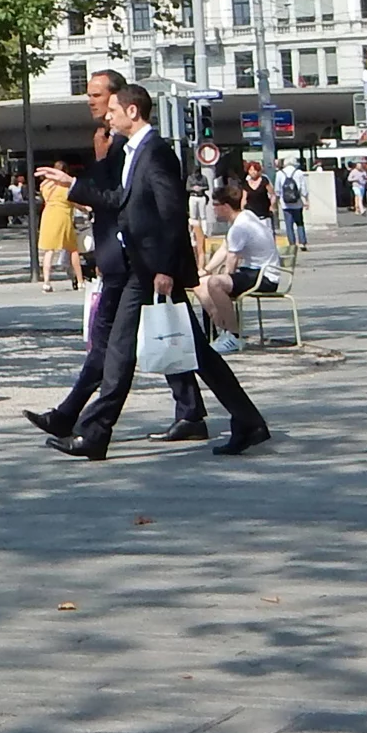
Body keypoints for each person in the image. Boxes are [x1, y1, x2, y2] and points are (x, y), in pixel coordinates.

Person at [41, 85, 269, 460]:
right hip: (143, 263)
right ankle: (248, 420)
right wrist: (74, 186)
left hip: (151, 267)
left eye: (114, 109)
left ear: (133, 112)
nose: (108, 116)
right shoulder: (135, 152)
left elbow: (170, 213)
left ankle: (96, 433)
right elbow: (121, 202)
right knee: (196, 351)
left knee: (118, 349)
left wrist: (165, 267)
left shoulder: (156, 152)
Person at [26, 72, 206, 448]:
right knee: (131, 342)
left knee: (121, 346)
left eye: (98, 97)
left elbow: (130, 200)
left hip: (136, 259)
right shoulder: (113, 142)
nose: (94, 105)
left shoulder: (135, 146)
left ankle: (83, 423)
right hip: (126, 259)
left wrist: (164, 265)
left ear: (122, 103)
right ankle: (80, 418)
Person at [195, 185, 281, 353]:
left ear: (225, 206)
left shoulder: (239, 227)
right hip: (252, 271)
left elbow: (231, 260)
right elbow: (225, 248)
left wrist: (224, 281)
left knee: (214, 284)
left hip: (264, 276)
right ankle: (222, 328)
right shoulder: (245, 217)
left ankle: (234, 335)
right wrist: (206, 270)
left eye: (215, 204)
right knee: (199, 283)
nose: (213, 208)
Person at [37, 158, 83, 291]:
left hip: (48, 214)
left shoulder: (45, 185)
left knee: (49, 250)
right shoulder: (65, 185)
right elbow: (73, 200)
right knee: (72, 249)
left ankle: (46, 281)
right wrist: (85, 208)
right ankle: (80, 281)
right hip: (63, 215)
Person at [274, 155, 309, 249]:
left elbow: (277, 190)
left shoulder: (280, 173)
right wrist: (306, 200)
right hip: (297, 203)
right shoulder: (299, 173)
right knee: (300, 223)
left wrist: (276, 202)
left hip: (285, 203)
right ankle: (302, 242)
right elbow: (304, 189)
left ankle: (292, 244)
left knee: (288, 225)